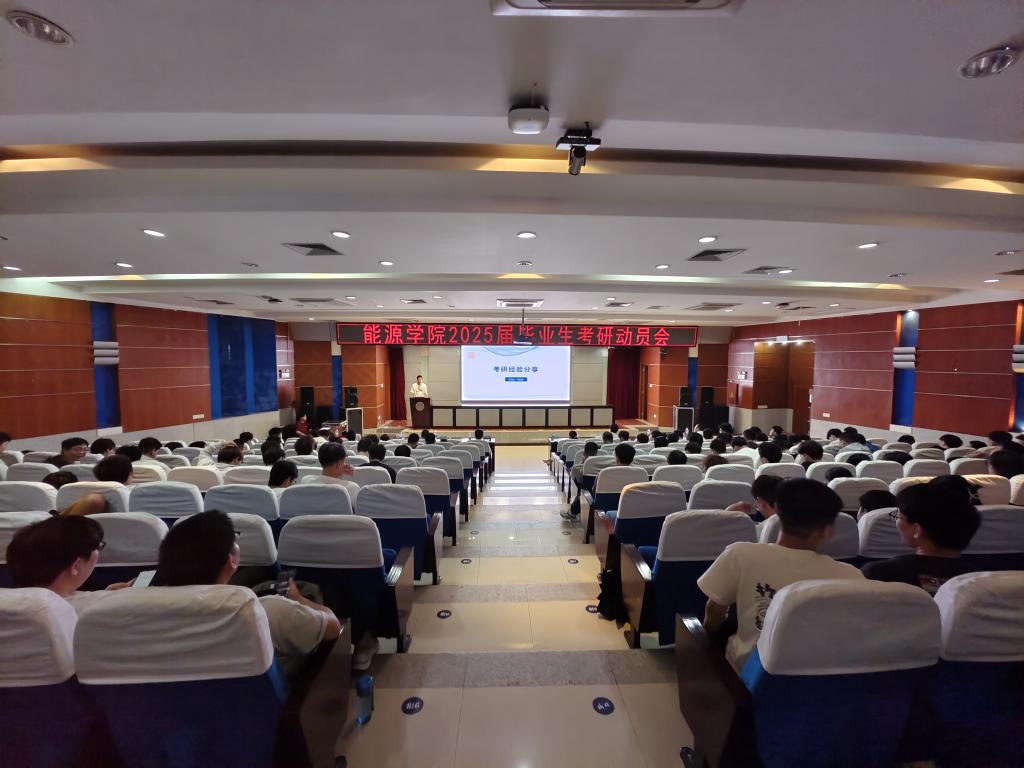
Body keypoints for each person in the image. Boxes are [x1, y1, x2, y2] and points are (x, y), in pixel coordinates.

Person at [698, 479, 864, 671]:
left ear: (777, 512)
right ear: (828, 531)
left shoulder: (741, 554)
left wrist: (708, 640)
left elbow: (714, 609)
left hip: (747, 670)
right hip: (820, 674)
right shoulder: (851, 576)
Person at [154, 511, 348, 674]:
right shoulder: (266, 611)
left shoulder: (151, 617)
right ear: (231, 560)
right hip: (274, 704)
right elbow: (333, 627)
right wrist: (297, 598)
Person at [862, 478, 981, 595]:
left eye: (898, 516)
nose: (896, 522)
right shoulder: (980, 580)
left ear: (917, 530)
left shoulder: (878, 574)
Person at [5, 516, 131, 613]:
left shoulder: (8, 608)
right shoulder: (105, 613)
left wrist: (105, 594)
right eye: (98, 546)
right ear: (76, 566)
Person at [562, 441, 599, 520]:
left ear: (584, 453)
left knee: (581, 492)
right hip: (601, 494)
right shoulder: (606, 467)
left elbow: (574, 480)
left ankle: (571, 513)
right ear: (596, 453)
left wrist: (583, 463)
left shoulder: (576, 468)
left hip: (587, 494)